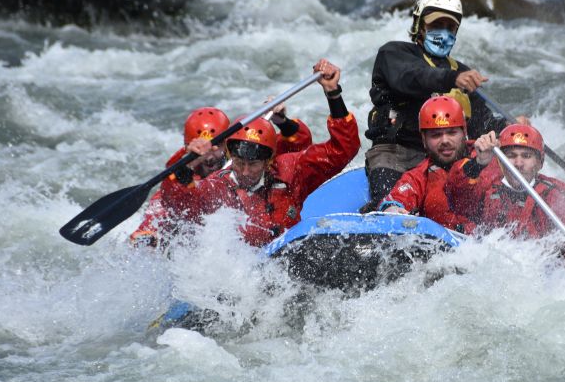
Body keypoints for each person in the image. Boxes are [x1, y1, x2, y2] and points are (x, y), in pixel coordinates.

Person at [160, 60, 361, 247]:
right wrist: (186, 165)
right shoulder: (216, 186)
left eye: (254, 164)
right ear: (230, 156)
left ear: (269, 161)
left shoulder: (292, 169)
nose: (245, 172)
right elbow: (181, 207)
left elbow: (343, 148)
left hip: (287, 260)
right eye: (239, 163)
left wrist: (333, 93)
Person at [364, 0, 509, 209]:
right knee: (387, 204)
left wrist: (510, 128)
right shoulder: (394, 54)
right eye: (435, 25)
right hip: (397, 154)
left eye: (449, 27)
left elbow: (482, 122)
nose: (443, 32)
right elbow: (411, 78)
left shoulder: (461, 72)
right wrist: (451, 79)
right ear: (420, 26)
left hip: (448, 158)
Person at [446, 124, 565, 284]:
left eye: (526, 156)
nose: (518, 163)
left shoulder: (552, 196)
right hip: (489, 273)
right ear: (500, 160)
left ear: (539, 163)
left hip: (538, 278)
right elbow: (457, 200)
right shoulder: (486, 187)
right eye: (511, 156)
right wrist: (478, 163)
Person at [130, 105, 316, 247]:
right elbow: (160, 211)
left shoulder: (243, 156)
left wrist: (283, 122)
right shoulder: (180, 181)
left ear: (228, 143)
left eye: (216, 146)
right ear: (189, 148)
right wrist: (147, 234)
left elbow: (297, 148)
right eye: (201, 149)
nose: (209, 156)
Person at [377, 95, 500, 233]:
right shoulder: (419, 176)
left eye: (452, 132)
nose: (445, 140)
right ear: (424, 139)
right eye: (436, 135)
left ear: (464, 132)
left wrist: (479, 164)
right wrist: (392, 209)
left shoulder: (489, 156)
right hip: (447, 249)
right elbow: (396, 199)